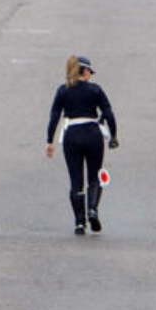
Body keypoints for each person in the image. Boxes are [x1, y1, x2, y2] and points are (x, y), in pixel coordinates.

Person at [46, 56, 119, 235]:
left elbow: (54, 117)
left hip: (71, 135)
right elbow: (108, 113)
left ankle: (79, 222)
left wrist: (49, 141)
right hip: (93, 134)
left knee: (76, 180)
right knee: (96, 175)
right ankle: (93, 209)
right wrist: (114, 136)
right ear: (85, 71)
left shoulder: (63, 91)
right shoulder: (95, 90)